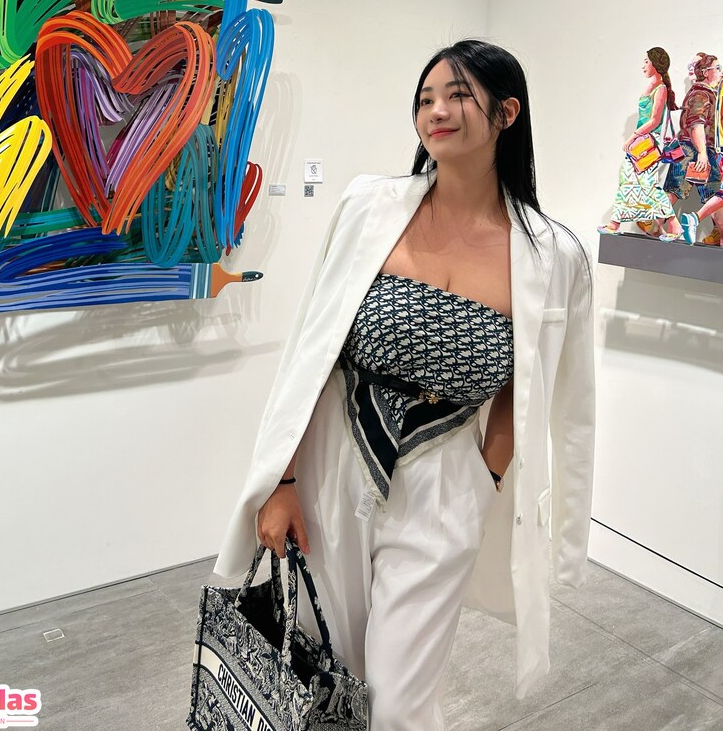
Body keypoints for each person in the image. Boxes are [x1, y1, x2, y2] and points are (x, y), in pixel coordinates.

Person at [214, 40, 595, 729]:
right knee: (322, 672)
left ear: (507, 113)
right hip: (330, 463)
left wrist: (485, 476)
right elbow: (315, 349)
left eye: (458, 95)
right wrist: (283, 480)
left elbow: (539, 388)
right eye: (425, 99)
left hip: (445, 484)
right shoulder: (371, 206)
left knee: (397, 701)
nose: (436, 111)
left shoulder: (551, 254)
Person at [597, 47, 682, 239]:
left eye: (646, 61)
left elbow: (654, 120)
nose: (643, 65)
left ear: (655, 63)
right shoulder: (654, 86)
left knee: (648, 184)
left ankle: (674, 225)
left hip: (648, 144)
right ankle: (615, 223)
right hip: (642, 142)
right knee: (627, 179)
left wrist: (632, 136)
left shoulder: (660, 89)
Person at [663, 52, 722, 227]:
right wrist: (702, 153)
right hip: (691, 148)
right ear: (706, 72)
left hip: (706, 149)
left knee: (714, 194)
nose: (721, 72)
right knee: (675, 189)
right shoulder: (701, 94)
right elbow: (696, 124)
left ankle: (719, 234)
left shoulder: (710, 94)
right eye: (718, 68)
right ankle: (653, 222)